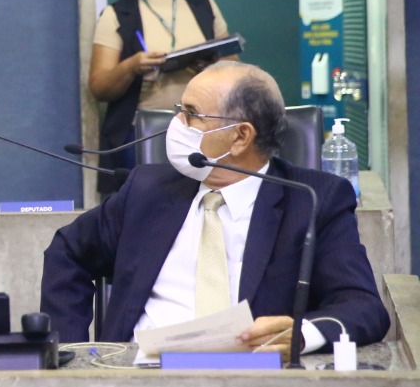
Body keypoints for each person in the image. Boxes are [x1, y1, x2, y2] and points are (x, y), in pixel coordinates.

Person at [41, 61, 389, 354]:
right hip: (137, 380)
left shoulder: (313, 200)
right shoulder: (147, 189)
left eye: (191, 114)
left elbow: (363, 307)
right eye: (179, 110)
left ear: (241, 137)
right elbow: (67, 251)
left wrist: (300, 335)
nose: (176, 124)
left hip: (251, 385)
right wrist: (73, 354)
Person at [89, 0, 234, 192]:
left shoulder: (202, 3)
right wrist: (131, 66)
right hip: (143, 136)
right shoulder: (117, 14)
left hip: (204, 133)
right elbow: (99, 87)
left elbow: (234, 71)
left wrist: (209, 67)